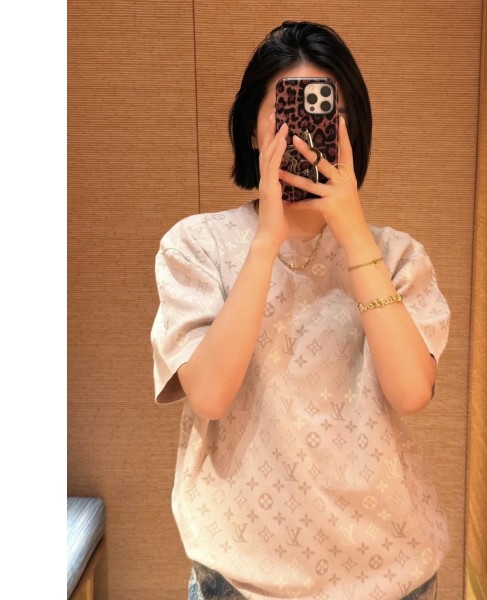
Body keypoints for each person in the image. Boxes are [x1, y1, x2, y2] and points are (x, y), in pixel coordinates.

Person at [151, 20, 450, 600]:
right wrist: (266, 241)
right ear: (253, 131)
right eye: (288, 113)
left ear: (351, 130)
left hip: (393, 574)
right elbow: (209, 396)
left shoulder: (397, 256)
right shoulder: (196, 247)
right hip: (241, 578)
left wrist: (355, 235)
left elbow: (412, 391)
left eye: (327, 116)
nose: (307, 133)